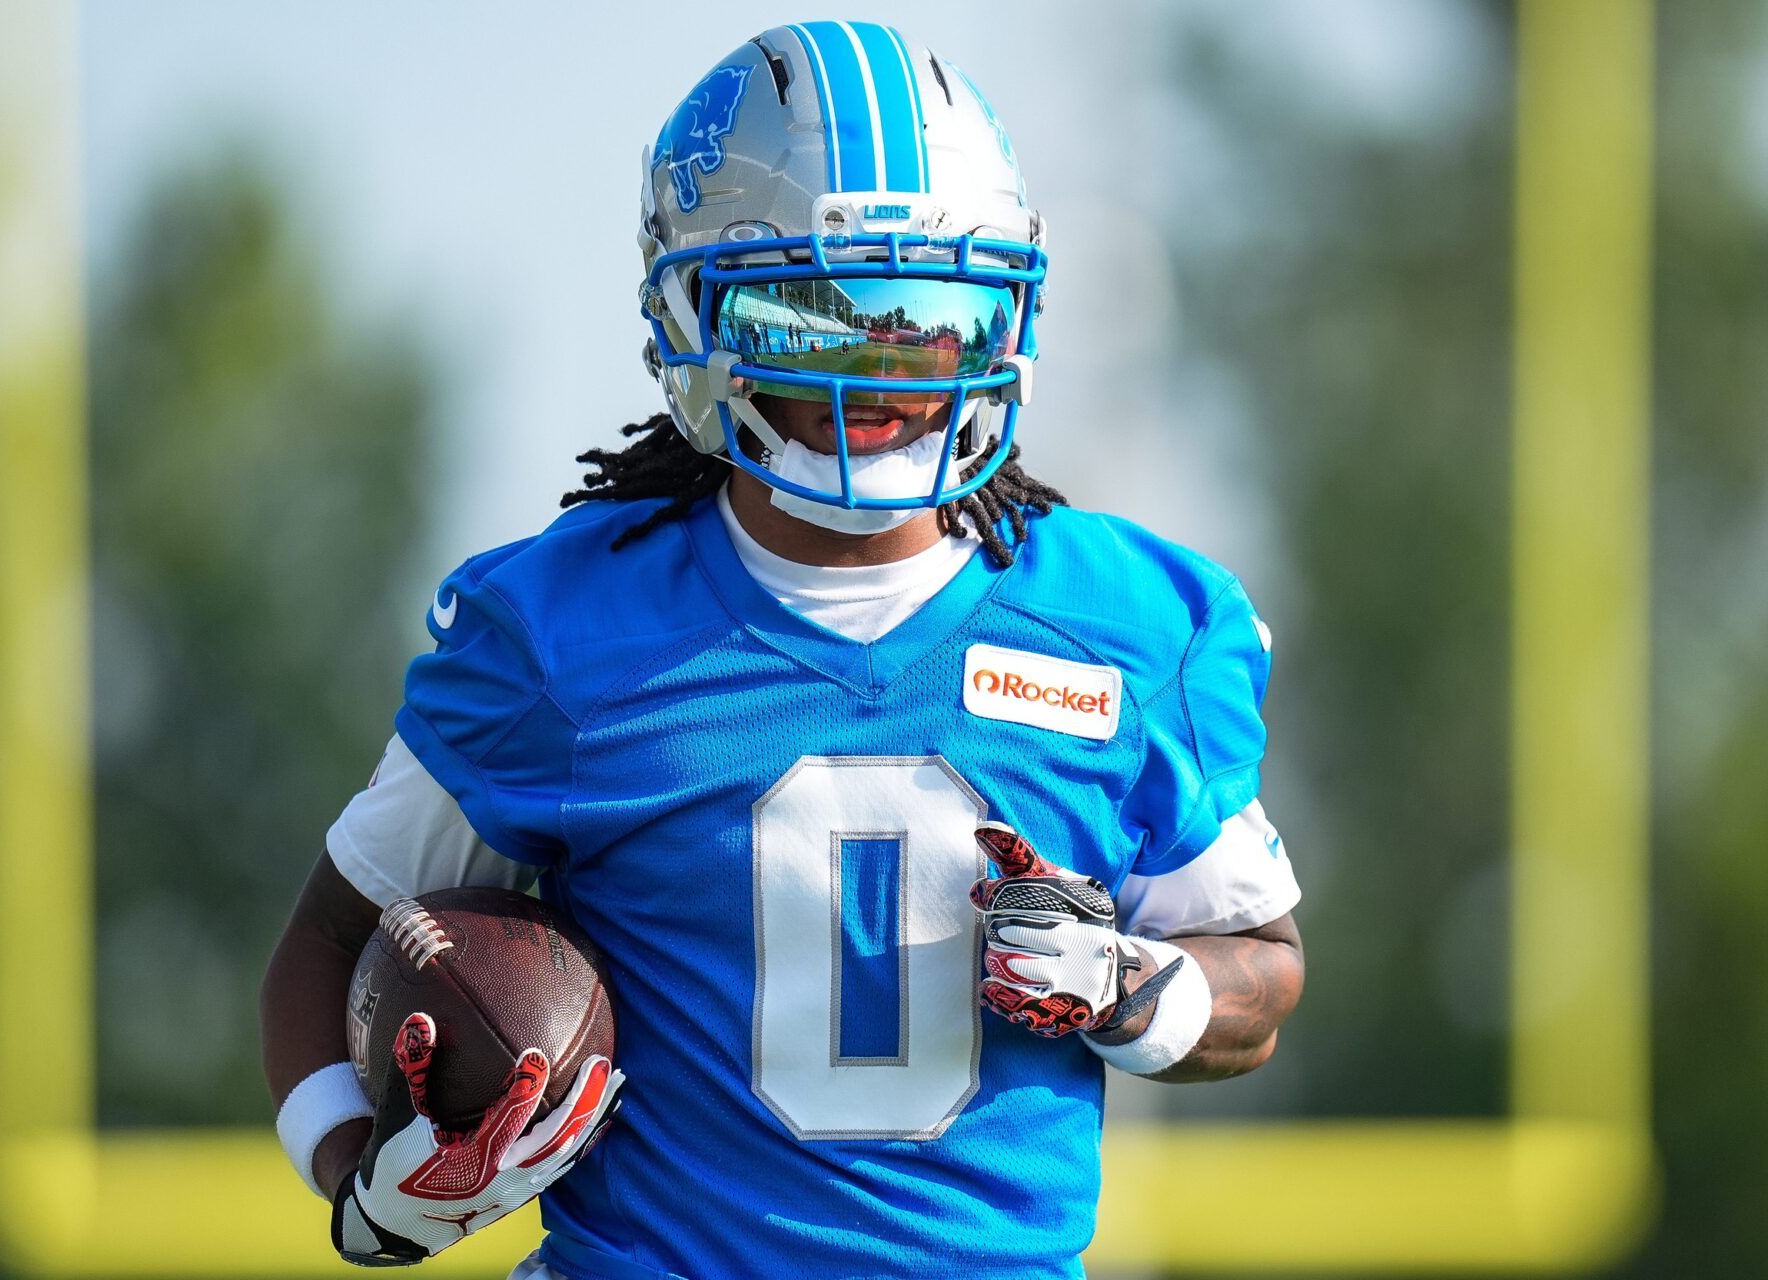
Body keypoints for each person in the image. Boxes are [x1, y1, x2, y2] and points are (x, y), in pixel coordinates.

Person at [261, 21, 1305, 1278]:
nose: (881, 377)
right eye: (819, 319)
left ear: (1007, 317)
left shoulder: (1133, 625)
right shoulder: (562, 631)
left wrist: (1139, 985)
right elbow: (329, 939)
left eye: (926, 315)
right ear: (692, 316)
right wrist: (360, 1185)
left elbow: (1262, 972)